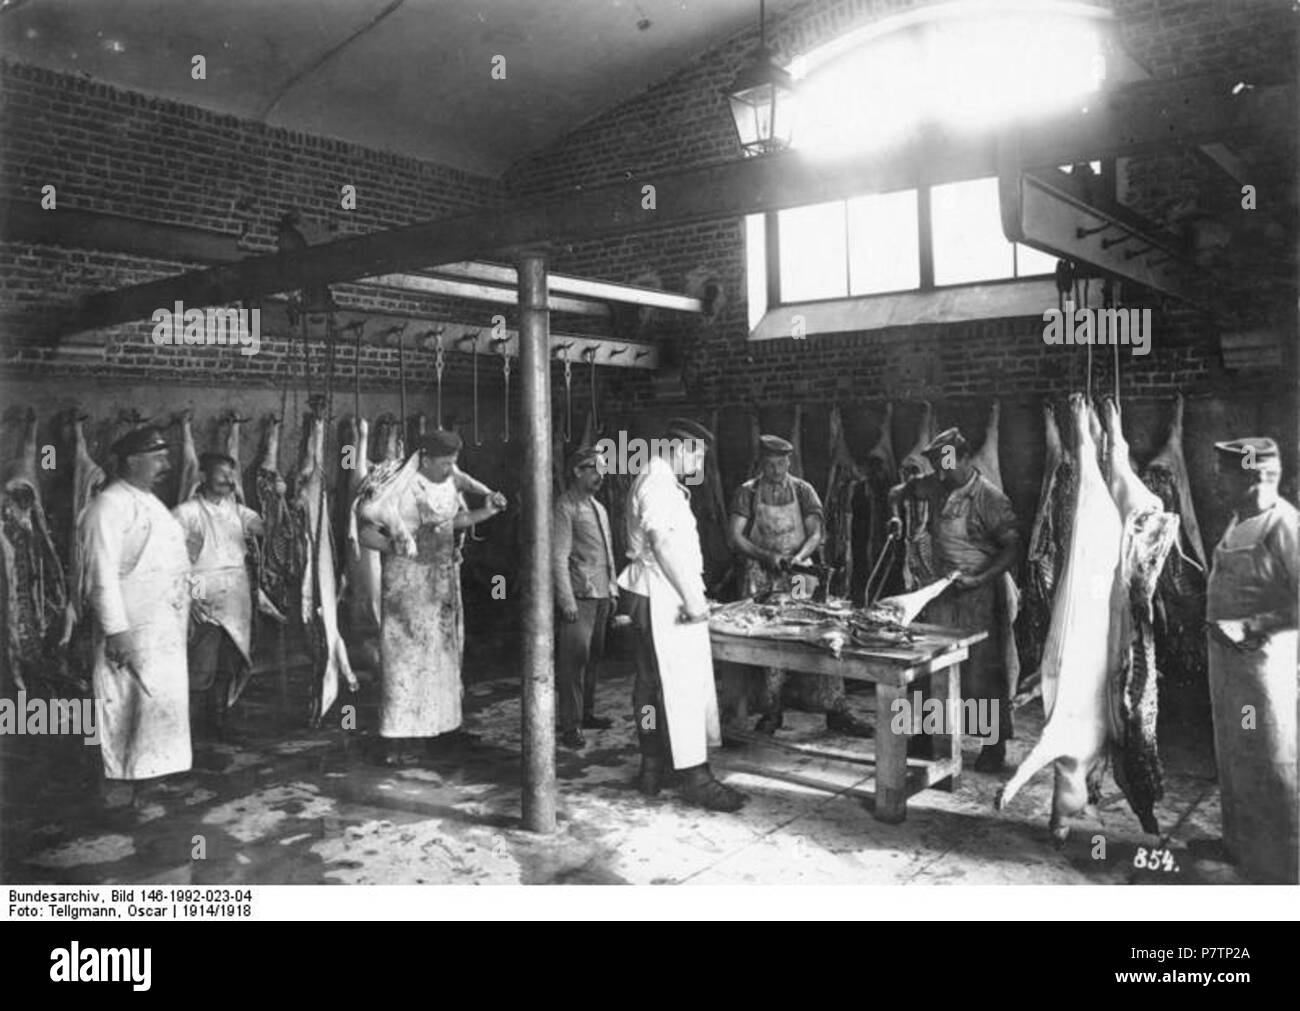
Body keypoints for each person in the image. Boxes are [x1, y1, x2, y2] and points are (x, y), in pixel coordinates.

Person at [356, 429, 507, 766]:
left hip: (442, 581)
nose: (449, 468)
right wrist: (395, 546)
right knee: (406, 660)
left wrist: (488, 511)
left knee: (442, 658)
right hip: (406, 584)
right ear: (424, 458)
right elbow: (365, 532)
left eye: (454, 462)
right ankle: (398, 739)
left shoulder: (451, 482)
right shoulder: (397, 487)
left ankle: (440, 728)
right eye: (444, 462)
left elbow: (455, 523)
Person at [619, 418, 746, 812]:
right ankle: (696, 779)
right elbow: (659, 542)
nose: (701, 465)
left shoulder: (656, 477)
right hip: (663, 597)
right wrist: (693, 598)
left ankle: (653, 767)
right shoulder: (657, 479)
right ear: (682, 449)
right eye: (700, 455)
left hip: (649, 592)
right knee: (680, 686)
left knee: (649, 686)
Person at [890, 427, 1020, 772]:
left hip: (979, 592)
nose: (944, 472)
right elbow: (899, 492)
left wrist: (979, 578)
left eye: (948, 463)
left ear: (965, 458)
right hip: (942, 590)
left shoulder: (988, 498)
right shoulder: (937, 484)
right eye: (939, 466)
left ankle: (993, 746)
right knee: (926, 664)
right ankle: (922, 735)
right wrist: (895, 513)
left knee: (982, 673)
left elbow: (1011, 548)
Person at [76, 426, 192, 808]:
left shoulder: (150, 501)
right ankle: (117, 789)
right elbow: (101, 577)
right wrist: (116, 631)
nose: (167, 465)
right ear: (131, 461)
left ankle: (151, 778)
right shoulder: (108, 505)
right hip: (132, 625)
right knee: (122, 702)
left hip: (162, 626)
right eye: (158, 458)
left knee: (156, 703)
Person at [728, 434, 873, 738]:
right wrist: (766, 556)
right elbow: (736, 536)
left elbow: (816, 533)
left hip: (797, 574)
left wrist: (797, 558)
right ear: (761, 463)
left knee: (818, 635)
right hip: (761, 575)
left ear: (789, 462)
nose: (777, 470)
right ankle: (771, 711)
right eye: (770, 464)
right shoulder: (747, 492)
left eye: (782, 464)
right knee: (768, 642)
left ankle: (836, 709)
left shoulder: (804, 490)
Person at [1205, 437, 1297, 884]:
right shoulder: (1238, 521)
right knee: (1234, 754)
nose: (1216, 479)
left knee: (1269, 757)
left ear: (1256, 476)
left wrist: (1254, 624)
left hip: (1263, 668)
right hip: (1227, 667)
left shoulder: (1285, 526)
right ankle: (1238, 843)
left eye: (1225, 472)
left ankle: (1282, 863)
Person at [172, 452, 265, 740]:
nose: (228, 480)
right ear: (202, 476)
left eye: (231, 474)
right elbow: (175, 562)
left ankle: (219, 722)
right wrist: (192, 600)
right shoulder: (185, 513)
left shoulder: (238, 510)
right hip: (204, 594)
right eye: (221, 473)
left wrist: (279, 501)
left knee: (230, 661)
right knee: (201, 667)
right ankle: (187, 732)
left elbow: (263, 528)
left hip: (236, 595)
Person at [552, 445, 617, 750]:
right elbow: (558, 557)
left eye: (603, 470)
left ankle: (587, 714)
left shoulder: (598, 507)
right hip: (580, 596)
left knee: (593, 660)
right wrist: (566, 601)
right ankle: (570, 725)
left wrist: (613, 589)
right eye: (594, 470)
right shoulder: (565, 508)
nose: (600, 476)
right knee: (573, 664)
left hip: (602, 594)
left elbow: (607, 554)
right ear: (578, 471)